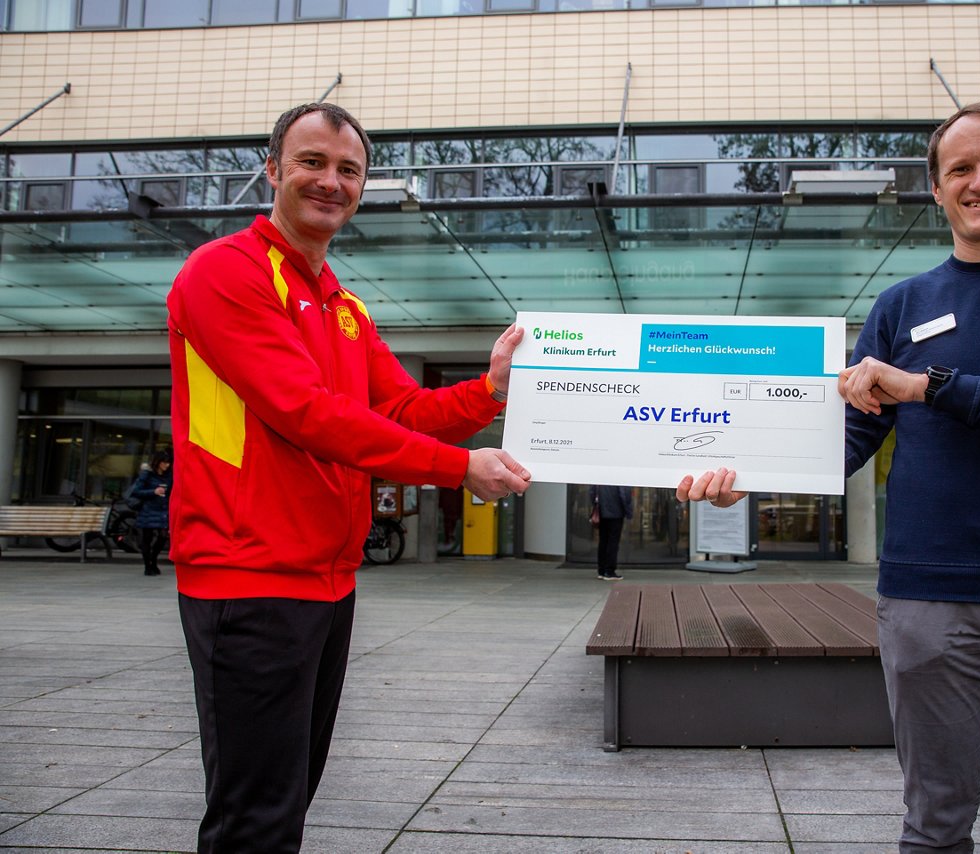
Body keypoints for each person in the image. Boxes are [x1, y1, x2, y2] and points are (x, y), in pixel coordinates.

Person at [679, 100, 980, 853]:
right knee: (934, 826)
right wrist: (743, 482)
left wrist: (927, 384)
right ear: (937, 189)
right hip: (929, 598)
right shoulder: (902, 305)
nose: (979, 181)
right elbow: (847, 435)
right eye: (961, 169)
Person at [166, 101, 532, 853]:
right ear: (271, 170)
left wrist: (491, 389)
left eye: (349, 170)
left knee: (287, 801)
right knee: (254, 819)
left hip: (327, 581)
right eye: (311, 163)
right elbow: (307, 414)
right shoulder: (225, 273)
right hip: (250, 580)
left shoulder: (343, 307)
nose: (330, 182)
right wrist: (461, 470)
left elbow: (399, 407)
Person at [133, 450, 172, 576]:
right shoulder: (147, 474)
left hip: (163, 510)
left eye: (168, 463)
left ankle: (153, 559)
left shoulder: (169, 476)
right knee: (147, 538)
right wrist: (153, 492)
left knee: (162, 536)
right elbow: (136, 491)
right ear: (158, 462)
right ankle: (147, 565)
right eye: (164, 462)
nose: (167, 465)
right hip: (148, 509)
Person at [588, 484, 633, 580]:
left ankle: (601, 570)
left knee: (603, 541)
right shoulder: (619, 476)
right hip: (616, 512)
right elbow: (624, 494)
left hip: (602, 511)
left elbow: (592, 491)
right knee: (613, 542)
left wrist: (596, 505)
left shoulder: (600, 475)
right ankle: (609, 571)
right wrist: (628, 511)